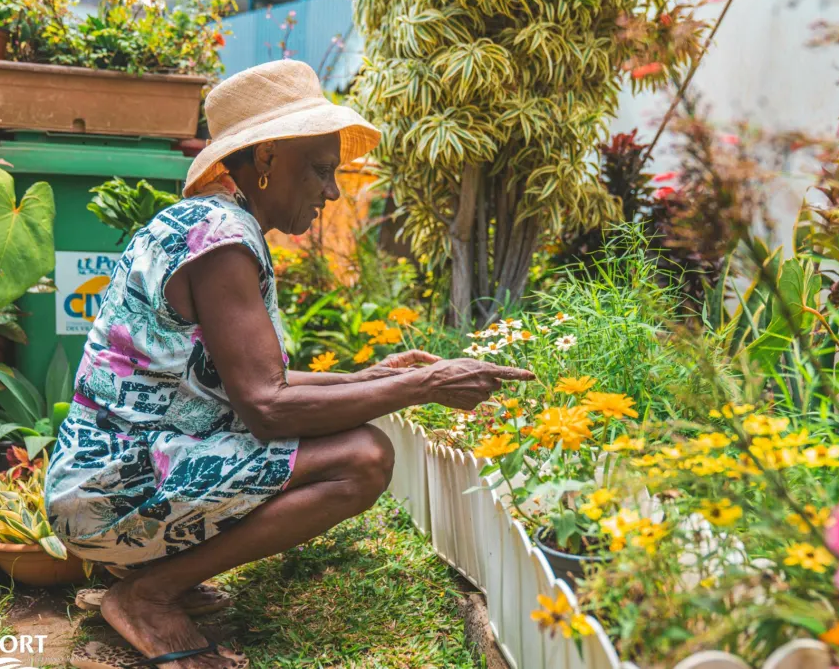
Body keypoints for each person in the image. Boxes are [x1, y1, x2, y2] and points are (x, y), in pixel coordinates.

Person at [45, 60, 534, 669]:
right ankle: (148, 594)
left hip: (106, 478)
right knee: (362, 460)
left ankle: (156, 572)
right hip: (111, 489)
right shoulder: (221, 240)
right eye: (321, 171)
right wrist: (422, 385)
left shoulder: (211, 225)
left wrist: (368, 380)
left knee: (347, 434)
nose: (331, 192)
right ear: (269, 160)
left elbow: (240, 381)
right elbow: (268, 407)